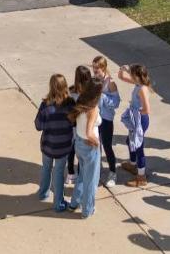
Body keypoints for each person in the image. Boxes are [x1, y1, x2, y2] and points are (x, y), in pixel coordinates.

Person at [35, 74, 76, 212]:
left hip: (48, 144)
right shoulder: (70, 104)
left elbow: (38, 125)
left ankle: (43, 193)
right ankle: (58, 202)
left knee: (46, 168)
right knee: (58, 173)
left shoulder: (45, 105)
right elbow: (74, 122)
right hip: (64, 146)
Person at [67, 78, 103, 218]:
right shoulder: (93, 109)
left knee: (82, 175)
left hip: (79, 144)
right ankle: (87, 210)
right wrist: (97, 143)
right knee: (91, 180)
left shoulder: (81, 100)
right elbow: (89, 133)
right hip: (89, 146)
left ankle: (74, 203)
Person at [118, 63, 152, 186]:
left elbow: (147, 110)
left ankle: (141, 177)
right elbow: (121, 77)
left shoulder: (142, 89)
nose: (130, 75)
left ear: (137, 76)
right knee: (130, 141)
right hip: (136, 119)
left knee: (138, 147)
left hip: (140, 120)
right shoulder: (138, 83)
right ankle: (133, 165)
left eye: (132, 74)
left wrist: (135, 113)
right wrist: (123, 69)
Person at [92, 56, 121, 188]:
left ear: (103, 68)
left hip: (106, 119)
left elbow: (116, 103)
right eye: (93, 68)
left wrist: (103, 98)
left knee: (107, 146)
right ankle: (96, 172)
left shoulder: (110, 83)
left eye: (97, 68)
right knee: (96, 146)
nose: (94, 71)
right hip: (94, 118)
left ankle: (113, 172)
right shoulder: (94, 80)